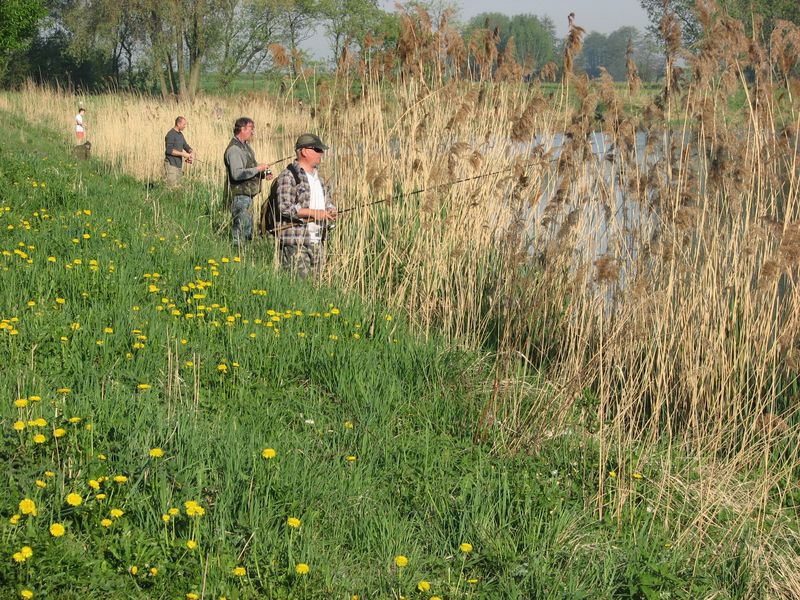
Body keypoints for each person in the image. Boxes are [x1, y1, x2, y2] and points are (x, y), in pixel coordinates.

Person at [274, 133, 337, 278]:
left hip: (317, 241)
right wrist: (315, 213)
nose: (322, 153)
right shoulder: (288, 176)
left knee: (316, 289)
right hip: (296, 242)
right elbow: (284, 207)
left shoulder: (319, 178)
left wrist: (330, 210)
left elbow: (327, 201)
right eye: (318, 149)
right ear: (304, 151)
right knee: (298, 290)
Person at [223, 117, 271, 245]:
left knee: (247, 230)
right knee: (240, 231)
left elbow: (250, 168)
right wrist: (257, 169)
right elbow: (237, 174)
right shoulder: (234, 150)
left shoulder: (246, 147)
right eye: (251, 129)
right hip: (239, 195)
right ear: (242, 129)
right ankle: (236, 256)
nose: (253, 132)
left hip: (247, 195)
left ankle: (244, 255)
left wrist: (263, 173)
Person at [164, 116, 194, 188]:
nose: (185, 126)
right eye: (184, 124)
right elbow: (169, 150)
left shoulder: (180, 135)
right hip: (171, 165)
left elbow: (185, 146)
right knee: (171, 188)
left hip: (179, 166)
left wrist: (191, 152)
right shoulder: (170, 134)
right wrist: (183, 154)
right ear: (178, 124)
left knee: (178, 188)